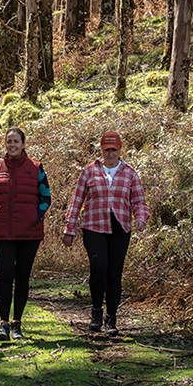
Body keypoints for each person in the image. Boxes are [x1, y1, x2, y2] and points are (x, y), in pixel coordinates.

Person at [61, 131, 149, 335]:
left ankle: (111, 318)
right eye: (107, 150)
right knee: (98, 268)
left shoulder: (130, 173)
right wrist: (69, 230)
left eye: (114, 150)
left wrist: (141, 218)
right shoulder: (89, 171)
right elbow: (76, 201)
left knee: (114, 273)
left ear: (120, 150)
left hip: (120, 228)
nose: (111, 153)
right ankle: (96, 313)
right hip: (94, 227)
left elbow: (139, 200)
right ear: (101, 150)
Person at [0, 127, 51, 341]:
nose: (12, 145)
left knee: (22, 276)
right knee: (5, 275)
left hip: (29, 232)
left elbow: (46, 198)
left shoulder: (36, 168)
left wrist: (35, 217)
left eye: (16, 141)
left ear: (23, 144)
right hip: (2, 231)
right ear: (5, 144)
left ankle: (17, 324)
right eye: (9, 141)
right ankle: (3, 324)